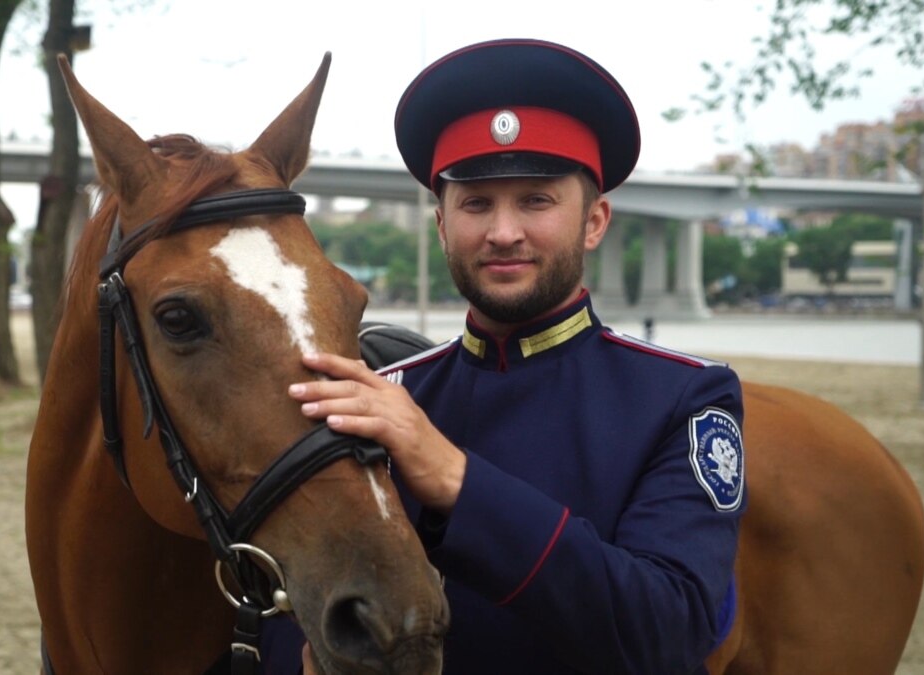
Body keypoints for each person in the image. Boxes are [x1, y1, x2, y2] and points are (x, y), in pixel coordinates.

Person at [264, 38, 745, 674]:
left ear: (594, 222)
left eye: (536, 200)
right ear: (441, 224)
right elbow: (290, 612)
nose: (503, 232)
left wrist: (457, 482)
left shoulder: (683, 399)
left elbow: (670, 629)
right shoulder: (376, 398)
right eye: (476, 203)